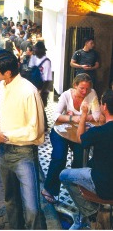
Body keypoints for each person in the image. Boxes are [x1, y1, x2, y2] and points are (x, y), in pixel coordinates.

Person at [0, 50, 45, 230]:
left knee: (32, 208)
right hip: (5, 151)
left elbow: (35, 129)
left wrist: (5, 136)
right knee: (11, 201)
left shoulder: (29, 91)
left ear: (8, 72)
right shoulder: (3, 85)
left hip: (24, 154)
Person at [41, 73, 101, 204]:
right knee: (59, 157)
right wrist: (72, 118)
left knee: (80, 159)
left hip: (78, 133)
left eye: (88, 88)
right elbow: (56, 115)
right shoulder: (66, 95)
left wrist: (84, 117)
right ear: (75, 85)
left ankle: (76, 189)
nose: (85, 91)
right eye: (82, 88)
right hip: (61, 132)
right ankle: (49, 189)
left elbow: (97, 116)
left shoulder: (92, 94)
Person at [59, 89, 113, 230]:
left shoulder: (99, 132)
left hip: (104, 186)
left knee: (64, 175)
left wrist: (83, 115)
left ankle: (91, 213)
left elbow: (81, 139)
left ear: (105, 106)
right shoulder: (101, 131)